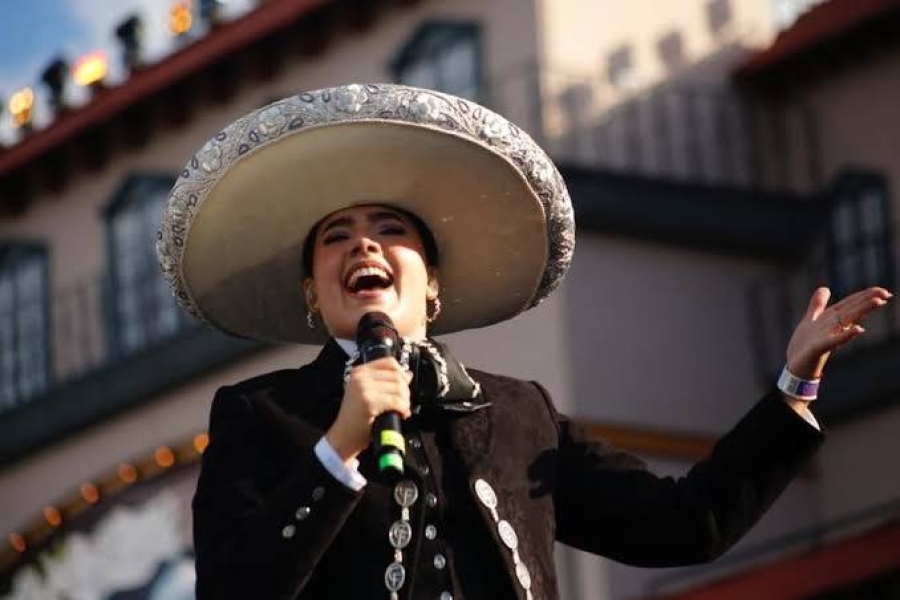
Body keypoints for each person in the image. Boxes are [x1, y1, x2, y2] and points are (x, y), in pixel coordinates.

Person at [157, 83, 892, 600]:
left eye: (390, 229)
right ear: (313, 295)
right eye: (336, 237)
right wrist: (339, 446)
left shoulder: (515, 413)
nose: (364, 246)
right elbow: (233, 590)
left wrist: (793, 387)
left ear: (432, 283)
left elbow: (682, 526)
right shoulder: (260, 413)